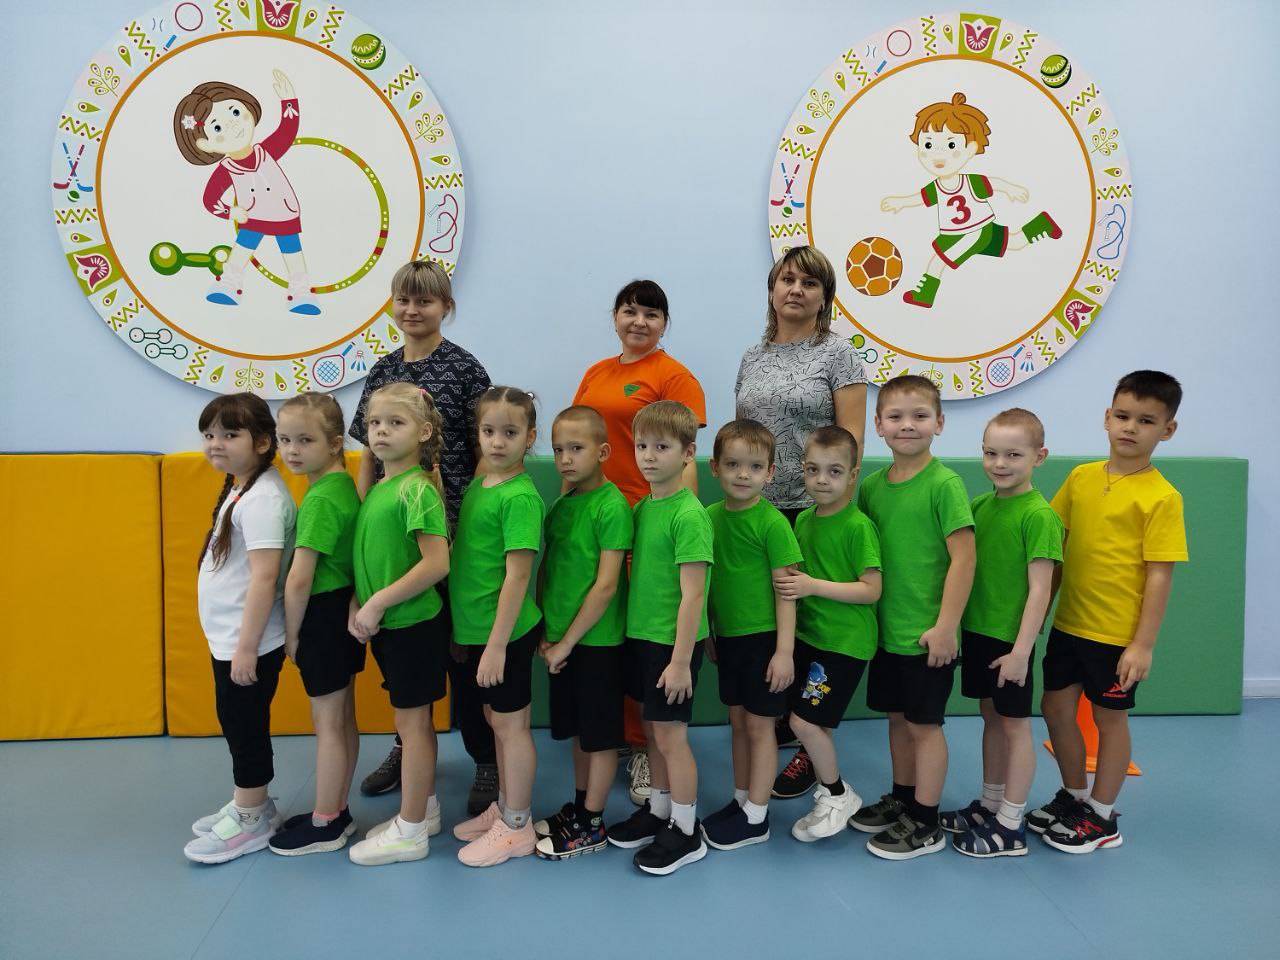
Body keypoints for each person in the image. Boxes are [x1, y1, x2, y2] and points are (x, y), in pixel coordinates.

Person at [351, 260, 497, 818]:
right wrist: (366, 514)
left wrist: (472, 518)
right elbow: (367, 452)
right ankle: (406, 743)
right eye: (404, 300)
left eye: (425, 301)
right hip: (396, 530)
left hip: (450, 525)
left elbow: (485, 448)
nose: (412, 310)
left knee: (460, 647)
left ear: (445, 308)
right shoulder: (383, 370)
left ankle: (485, 757)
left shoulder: (464, 369)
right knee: (402, 644)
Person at [1031, 371, 1186, 853]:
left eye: (1146, 420)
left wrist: (1143, 644)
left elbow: (1159, 576)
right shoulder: (1081, 478)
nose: (1130, 427)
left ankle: (1102, 816)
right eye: (1123, 416)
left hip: (1116, 636)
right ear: (1107, 417)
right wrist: (1039, 611)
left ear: (1167, 430)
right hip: (1069, 625)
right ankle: (1075, 797)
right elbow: (1055, 549)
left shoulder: (1163, 497)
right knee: (1055, 708)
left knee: (1109, 720)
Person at [734, 245, 867, 801]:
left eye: (809, 283)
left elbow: (851, 443)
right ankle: (780, 729)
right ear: (771, 289)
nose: (795, 289)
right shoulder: (753, 356)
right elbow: (741, 438)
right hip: (758, 514)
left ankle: (811, 743)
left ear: (824, 297)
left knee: (811, 627)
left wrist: (835, 515)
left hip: (811, 513)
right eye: (786, 279)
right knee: (770, 625)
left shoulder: (839, 355)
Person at [573, 280, 707, 806]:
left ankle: (643, 748)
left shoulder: (673, 376)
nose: (639, 321)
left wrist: (682, 525)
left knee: (646, 638)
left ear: (664, 324)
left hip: (647, 526)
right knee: (609, 633)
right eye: (630, 311)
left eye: (652, 314)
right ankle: (613, 738)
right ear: (615, 317)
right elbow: (578, 445)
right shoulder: (595, 373)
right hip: (596, 522)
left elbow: (687, 458)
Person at [850, 375, 975, 860]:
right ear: (878, 425)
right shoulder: (871, 488)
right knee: (897, 719)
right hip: (887, 633)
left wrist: (946, 627)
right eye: (896, 416)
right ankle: (902, 798)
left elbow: (964, 559)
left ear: (939, 423)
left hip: (927, 635)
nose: (907, 425)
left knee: (925, 726)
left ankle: (925, 821)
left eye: (920, 416)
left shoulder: (945, 485)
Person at [941, 409, 1062, 858]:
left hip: (1011, 643)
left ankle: (1011, 823)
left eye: (1013, 454)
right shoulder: (979, 506)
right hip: (978, 634)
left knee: (1015, 726)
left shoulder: (1040, 516)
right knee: (990, 716)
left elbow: (1040, 590)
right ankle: (990, 804)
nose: (999, 463)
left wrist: (1021, 652)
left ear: (1039, 457)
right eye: (991, 453)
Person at [184, 393, 296, 864]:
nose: (216, 443)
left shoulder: (263, 499)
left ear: (263, 442)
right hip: (233, 637)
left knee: (244, 726)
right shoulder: (243, 487)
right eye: (209, 434)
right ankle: (254, 802)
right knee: (236, 722)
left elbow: (265, 578)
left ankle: (252, 818)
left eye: (230, 434)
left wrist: (247, 648)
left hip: (248, 641)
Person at [345, 384, 452, 866]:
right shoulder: (380, 488)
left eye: (395, 422)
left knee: (413, 725)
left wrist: (377, 604)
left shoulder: (417, 490)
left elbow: (436, 564)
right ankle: (423, 810)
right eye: (374, 423)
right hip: (390, 625)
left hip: (413, 625)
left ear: (423, 432)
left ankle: (410, 832)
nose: (381, 431)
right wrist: (359, 600)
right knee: (408, 722)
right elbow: (373, 557)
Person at [606, 401, 713, 875]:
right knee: (652, 732)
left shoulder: (689, 515)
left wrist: (681, 661)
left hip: (674, 647)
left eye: (662, 447)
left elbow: (694, 595)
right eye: (642, 446)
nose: (648, 456)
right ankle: (660, 808)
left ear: (688, 453)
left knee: (672, 738)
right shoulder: (645, 507)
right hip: (643, 638)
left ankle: (686, 830)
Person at [450, 387, 545, 867]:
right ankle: (505, 806)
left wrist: (496, 646)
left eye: (510, 432)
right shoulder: (480, 485)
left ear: (530, 437)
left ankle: (517, 825)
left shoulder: (520, 497)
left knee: (511, 726)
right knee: (494, 720)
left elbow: (518, 576)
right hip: (476, 630)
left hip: (504, 634)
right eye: (489, 431)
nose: (497, 441)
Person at [532, 406, 633, 860]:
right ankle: (579, 806)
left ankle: (592, 822)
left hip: (596, 644)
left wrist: (568, 641)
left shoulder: (612, 506)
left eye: (576, 448)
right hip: (559, 641)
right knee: (577, 732)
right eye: (558, 450)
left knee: (600, 736)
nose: (566, 459)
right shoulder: (561, 504)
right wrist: (545, 629)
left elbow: (606, 585)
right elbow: (548, 568)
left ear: (603, 451)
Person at [775, 426, 882, 843]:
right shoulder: (803, 519)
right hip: (810, 636)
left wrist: (812, 586)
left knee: (803, 721)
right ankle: (826, 783)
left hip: (844, 643)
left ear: (852, 475)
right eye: (813, 470)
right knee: (810, 720)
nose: (822, 480)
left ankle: (837, 794)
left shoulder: (858, 527)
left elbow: (871, 590)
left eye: (834, 471)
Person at [701, 420, 802, 850]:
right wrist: (709, 629)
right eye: (733, 464)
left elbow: (787, 593)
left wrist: (784, 652)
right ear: (715, 468)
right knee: (739, 723)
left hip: (765, 641)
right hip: (729, 639)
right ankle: (742, 800)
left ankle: (757, 817)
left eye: (755, 466)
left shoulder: (774, 524)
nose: (743, 474)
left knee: (761, 728)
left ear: (771, 473)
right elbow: (707, 581)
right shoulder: (708, 518)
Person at [270, 394, 364, 856]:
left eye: (305, 440)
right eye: (284, 439)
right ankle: (337, 809)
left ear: (334, 443)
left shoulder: (322, 498)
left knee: (327, 723)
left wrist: (291, 634)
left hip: (322, 616)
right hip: (339, 613)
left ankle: (326, 821)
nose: (292, 450)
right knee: (342, 717)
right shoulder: (342, 484)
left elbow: (299, 577)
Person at [880, 92, 1062, 309]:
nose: (938, 155)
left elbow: (993, 183)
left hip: (971, 232)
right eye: (928, 145)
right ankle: (1041, 224)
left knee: (937, 261)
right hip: (975, 230)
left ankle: (925, 295)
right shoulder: (937, 187)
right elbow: (920, 198)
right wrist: (900, 202)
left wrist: (1010, 188)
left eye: (950, 146)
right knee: (1014, 243)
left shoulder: (969, 182)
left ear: (971, 149)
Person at [173, 71, 319, 314]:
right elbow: (210, 200)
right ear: (205, 145)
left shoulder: (267, 150)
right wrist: (230, 212)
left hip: (283, 211)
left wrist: (289, 101)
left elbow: (287, 130)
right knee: (241, 251)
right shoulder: (226, 169)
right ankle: (229, 285)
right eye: (217, 127)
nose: (233, 124)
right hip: (253, 216)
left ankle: (301, 292)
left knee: (292, 251)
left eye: (235, 112)